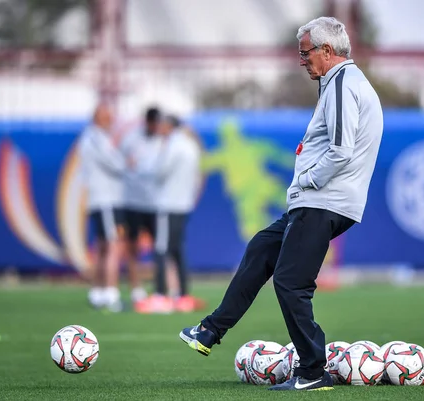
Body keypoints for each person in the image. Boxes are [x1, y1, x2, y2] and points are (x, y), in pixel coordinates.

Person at [179, 16, 384, 391]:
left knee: (291, 282)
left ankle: (312, 371)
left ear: (327, 50)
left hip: (324, 200)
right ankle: (210, 330)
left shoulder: (341, 85)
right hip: (319, 200)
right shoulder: (341, 83)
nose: (302, 60)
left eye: (306, 53)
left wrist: (307, 178)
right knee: (261, 249)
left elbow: (340, 151)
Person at [135, 115, 204, 313]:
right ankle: (182, 295)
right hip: (183, 204)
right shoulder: (190, 145)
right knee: (177, 249)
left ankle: (160, 295)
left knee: (161, 248)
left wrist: (140, 167)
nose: (159, 128)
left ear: (169, 126)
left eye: (163, 124)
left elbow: (160, 171)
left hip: (169, 204)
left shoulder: (173, 145)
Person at [79, 103, 128, 312]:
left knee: (101, 246)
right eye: (108, 117)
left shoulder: (89, 138)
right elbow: (116, 164)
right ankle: (111, 294)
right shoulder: (98, 138)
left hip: (98, 199)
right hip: (107, 199)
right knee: (113, 245)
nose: (111, 121)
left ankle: (97, 292)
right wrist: (128, 162)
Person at [119, 107, 162, 304]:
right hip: (133, 202)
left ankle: (159, 288)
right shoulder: (131, 139)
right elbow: (120, 163)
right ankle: (136, 288)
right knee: (133, 246)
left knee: (160, 247)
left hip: (154, 203)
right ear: (147, 122)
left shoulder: (162, 141)